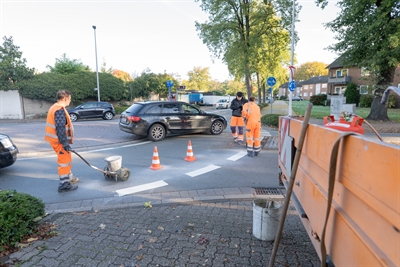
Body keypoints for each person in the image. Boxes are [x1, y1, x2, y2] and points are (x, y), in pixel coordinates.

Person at [45, 90, 79, 192]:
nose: (70, 101)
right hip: (59, 141)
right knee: (64, 162)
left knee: (66, 159)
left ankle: (69, 178)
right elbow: (60, 128)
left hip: (56, 140)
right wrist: (65, 143)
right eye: (70, 99)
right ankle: (64, 185)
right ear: (65, 98)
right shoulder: (59, 110)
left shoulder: (54, 107)